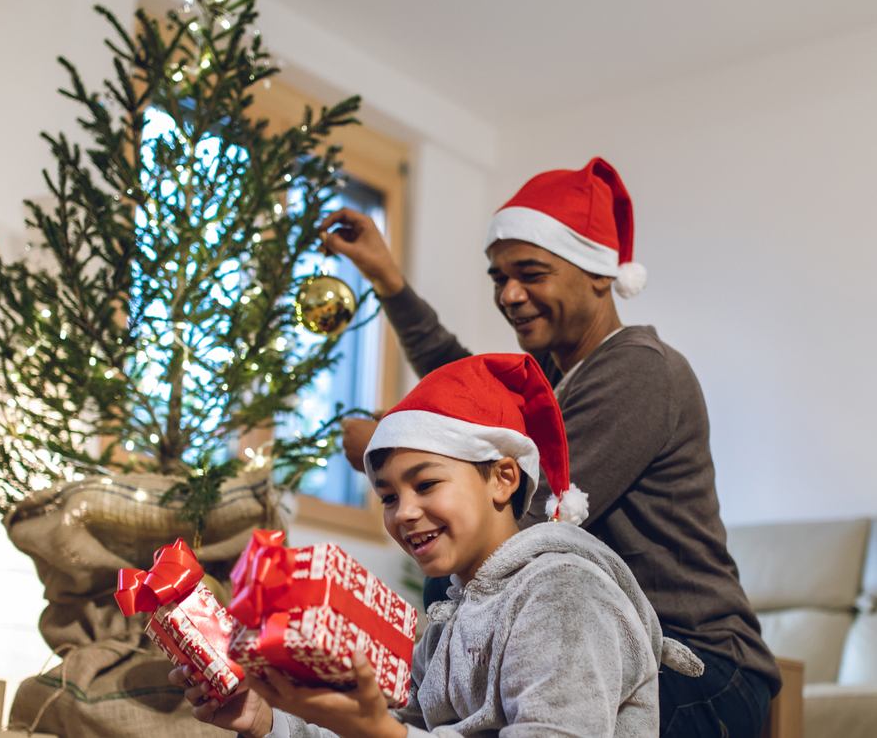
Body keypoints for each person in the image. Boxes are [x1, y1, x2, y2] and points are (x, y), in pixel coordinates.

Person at [320, 157, 779, 737]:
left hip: (698, 665)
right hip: (599, 643)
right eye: (498, 277)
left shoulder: (638, 371)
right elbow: (459, 387)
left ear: (599, 274)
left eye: (531, 273)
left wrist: (390, 448)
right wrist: (388, 280)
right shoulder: (557, 372)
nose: (509, 294)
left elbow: (512, 521)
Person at [174, 353, 702, 737]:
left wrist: (382, 732)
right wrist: (265, 722)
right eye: (387, 496)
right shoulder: (450, 624)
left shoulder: (564, 594)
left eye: (426, 485)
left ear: (503, 479)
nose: (403, 512)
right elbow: (405, 730)